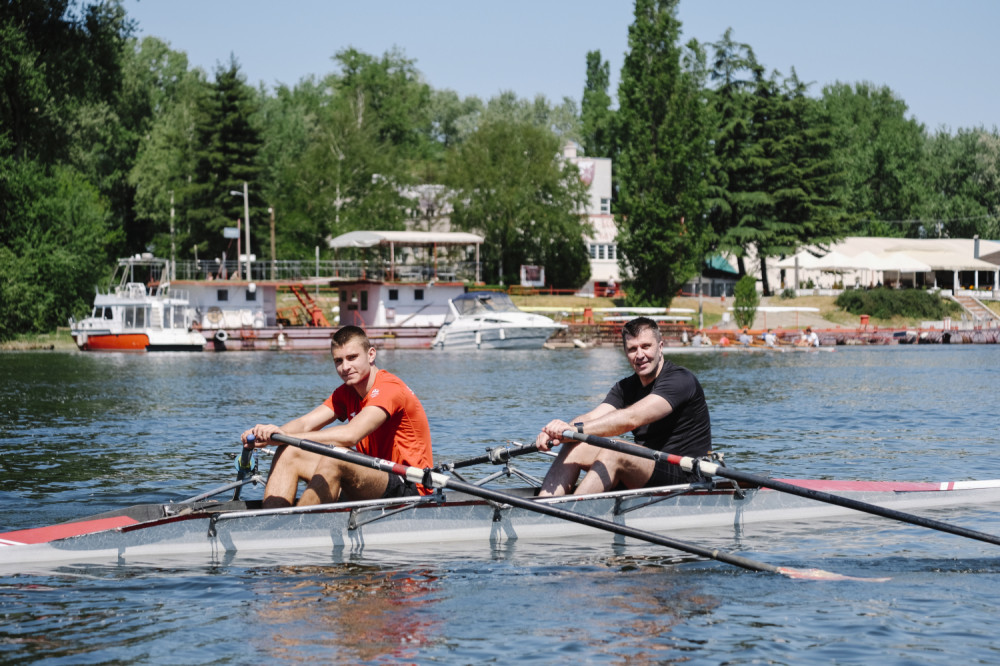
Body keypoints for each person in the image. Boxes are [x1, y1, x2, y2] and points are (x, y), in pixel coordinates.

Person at [242, 326, 433, 508]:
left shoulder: (389, 388)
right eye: (338, 361)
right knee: (289, 451)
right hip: (373, 477)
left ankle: (299, 529)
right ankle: (272, 525)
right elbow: (305, 423)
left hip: (410, 485)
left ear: (371, 354)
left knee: (336, 456)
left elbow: (350, 435)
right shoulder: (347, 392)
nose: (345, 367)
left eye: (352, 357)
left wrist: (287, 437)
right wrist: (270, 434)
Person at [534, 317, 712, 496]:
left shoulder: (680, 380)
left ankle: (568, 516)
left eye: (646, 346)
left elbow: (631, 419)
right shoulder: (625, 388)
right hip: (649, 470)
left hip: (686, 477)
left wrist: (573, 431)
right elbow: (591, 418)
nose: (640, 355)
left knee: (614, 451)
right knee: (575, 444)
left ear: (660, 347)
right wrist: (559, 431)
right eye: (633, 349)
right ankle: (544, 507)